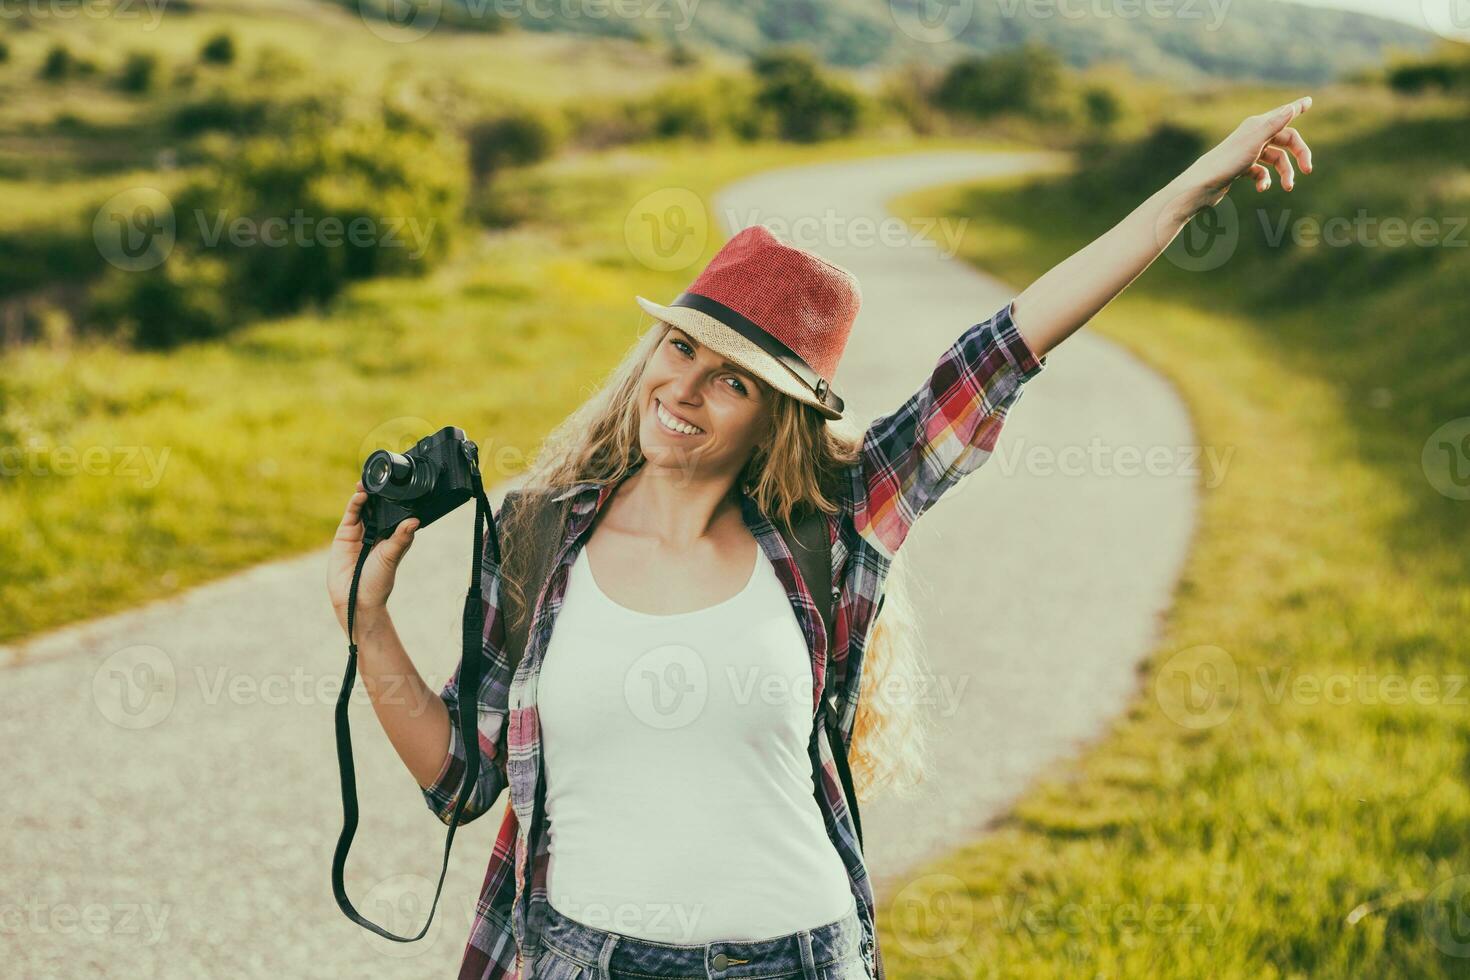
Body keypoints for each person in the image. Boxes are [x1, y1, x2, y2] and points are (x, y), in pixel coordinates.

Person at [327, 96, 1315, 980]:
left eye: (733, 379)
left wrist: (1193, 187)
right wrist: (368, 620)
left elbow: (1005, 348)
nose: (683, 389)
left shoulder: (832, 526)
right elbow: (462, 779)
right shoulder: (539, 531)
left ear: (776, 415)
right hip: (581, 957)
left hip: (795, 956)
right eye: (680, 347)